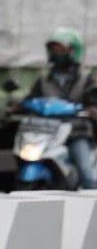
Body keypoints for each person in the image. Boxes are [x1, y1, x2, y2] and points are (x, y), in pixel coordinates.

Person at [22, 27, 97, 189]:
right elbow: (31, 99)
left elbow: (93, 101)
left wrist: (91, 110)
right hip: (48, 134)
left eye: (60, 49)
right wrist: (18, 105)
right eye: (53, 49)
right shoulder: (43, 79)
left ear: (73, 51)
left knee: (87, 174)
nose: (56, 53)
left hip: (76, 133)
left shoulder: (86, 79)